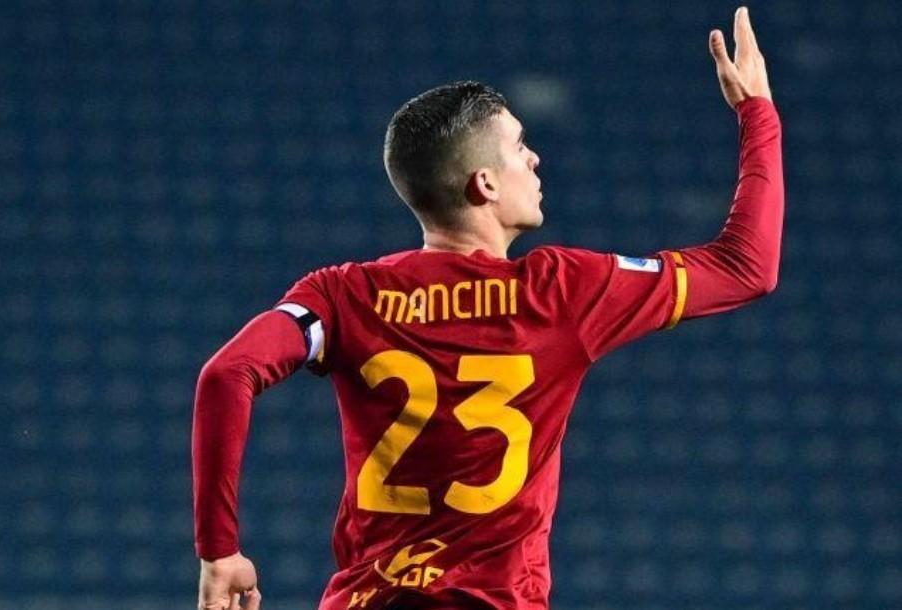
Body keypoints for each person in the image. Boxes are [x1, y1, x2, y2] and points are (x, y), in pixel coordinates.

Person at [193, 7, 782, 610]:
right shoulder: (562, 290)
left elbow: (226, 374)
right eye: (520, 145)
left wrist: (220, 551)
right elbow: (746, 267)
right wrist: (757, 114)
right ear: (485, 184)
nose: (535, 159)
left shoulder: (342, 295)